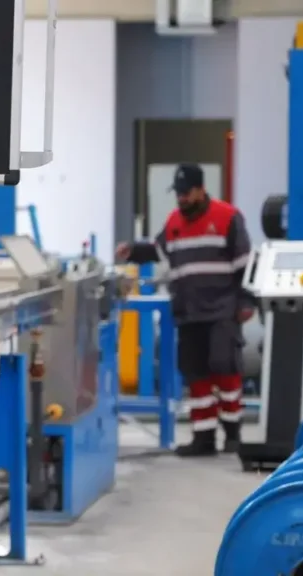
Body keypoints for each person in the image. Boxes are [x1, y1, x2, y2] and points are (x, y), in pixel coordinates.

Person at [115, 163, 256, 457]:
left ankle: (233, 434)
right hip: (189, 311)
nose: (181, 199)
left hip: (222, 310)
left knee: (225, 369)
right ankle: (203, 437)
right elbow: (158, 249)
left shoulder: (227, 217)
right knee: (196, 374)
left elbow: (246, 264)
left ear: (200, 189)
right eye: (178, 193)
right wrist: (132, 251)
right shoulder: (175, 222)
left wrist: (246, 302)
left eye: (186, 193)